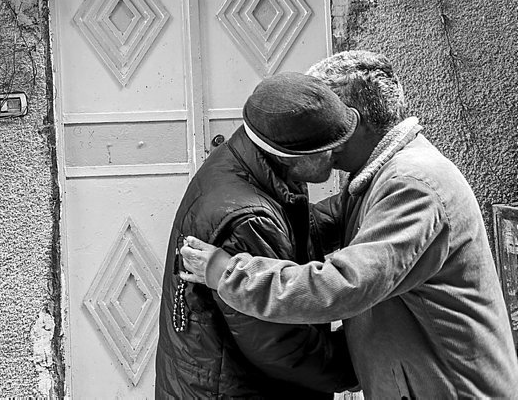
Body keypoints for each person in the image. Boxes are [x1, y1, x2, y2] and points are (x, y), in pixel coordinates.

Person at [179, 50, 518, 398]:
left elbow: (345, 285)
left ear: (349, 123)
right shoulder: (382, 176)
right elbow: (332, 218)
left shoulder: (413, 185)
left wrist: (227, 273)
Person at [154, 71, 358, 399]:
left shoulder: (250, 162)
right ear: (291, 153)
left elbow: (293, 237)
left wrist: (361, 199)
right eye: (328, 149)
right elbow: (283, 348)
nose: (336, 155)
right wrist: (363, 361)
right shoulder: (247, 218)